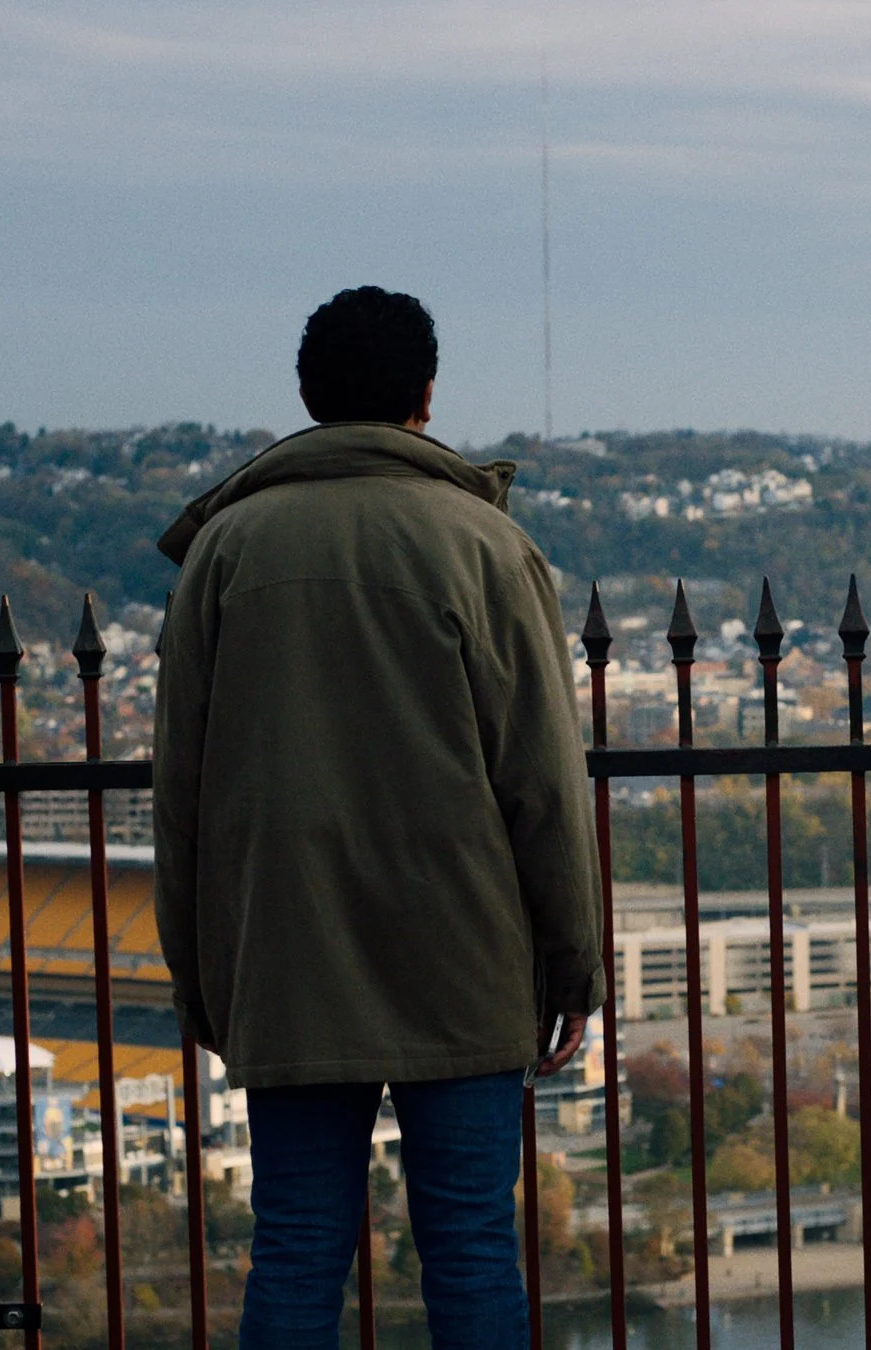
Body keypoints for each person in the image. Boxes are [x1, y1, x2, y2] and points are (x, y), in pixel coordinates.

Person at [153, 285, 603, 1349]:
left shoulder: (225, 552)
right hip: (465, 948)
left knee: (298, 1247)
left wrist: (200, 975)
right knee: (470, 1245)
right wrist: (570, 968)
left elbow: (182, 795)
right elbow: (542, 783)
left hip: (290, 948)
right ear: (427, 397)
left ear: (307, 394)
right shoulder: (483, 546)